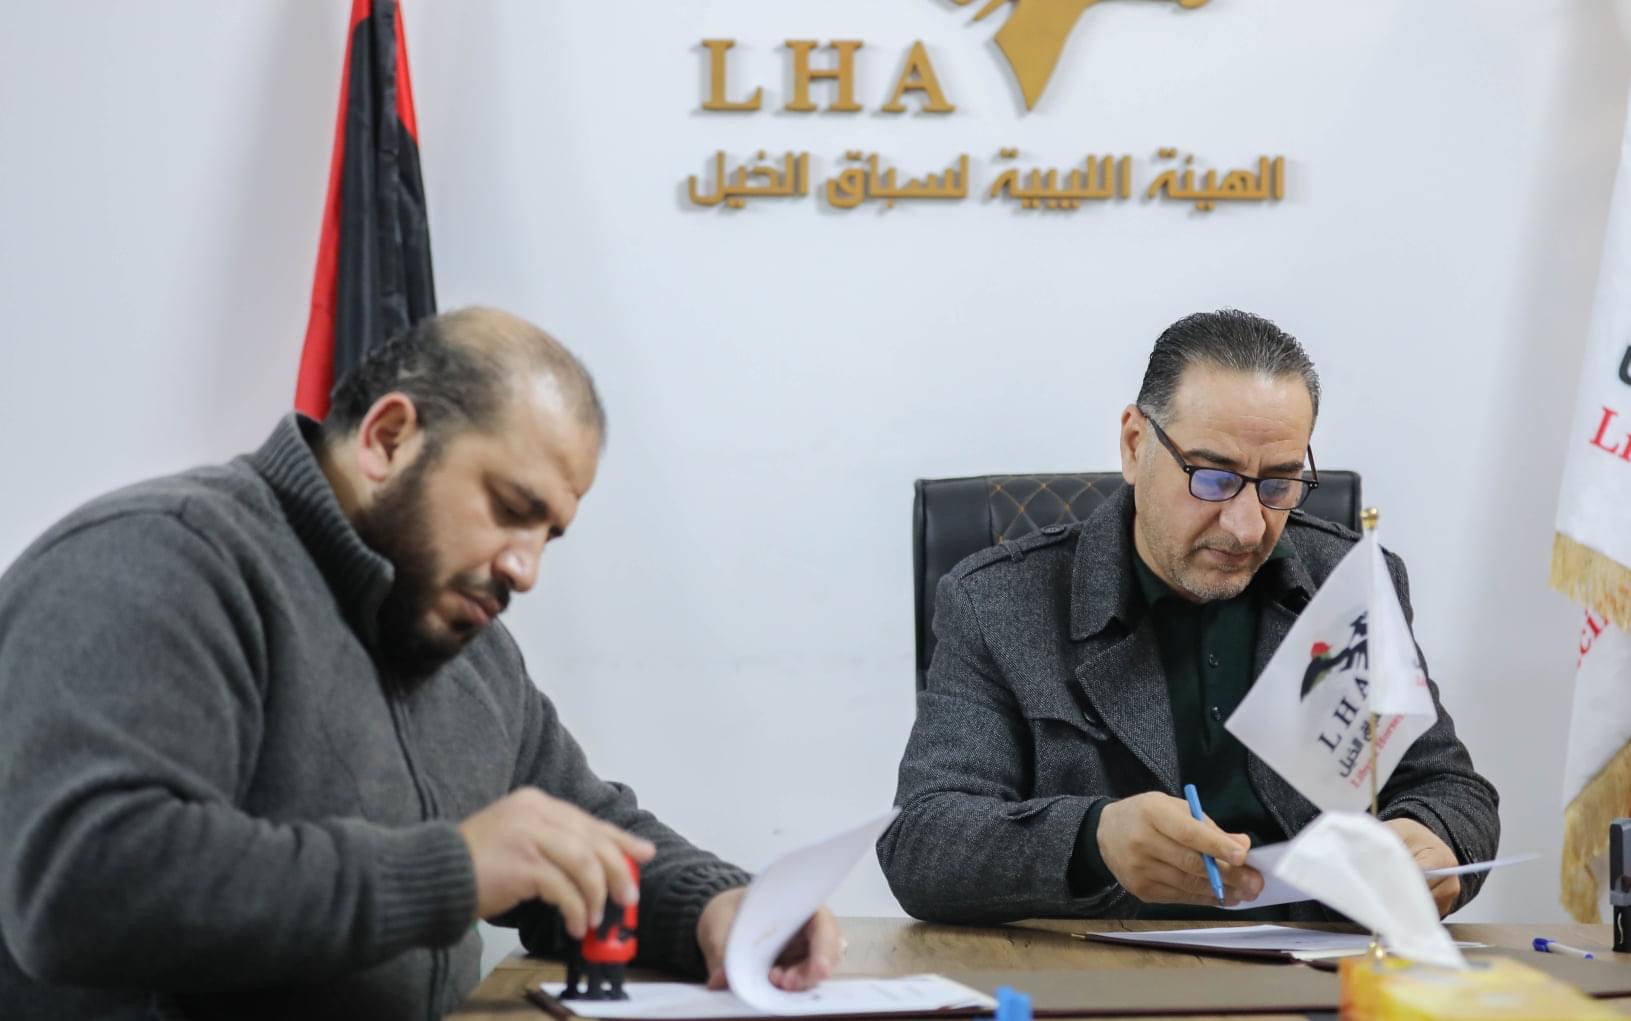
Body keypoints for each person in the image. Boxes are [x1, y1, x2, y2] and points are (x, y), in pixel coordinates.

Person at [0, 308, 840, 1020]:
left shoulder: (462, 640)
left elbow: (582, 831)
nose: (525, 568)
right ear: (389, 438)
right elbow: (81, 886)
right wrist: (452, 871)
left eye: (547, 534)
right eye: (510, 508)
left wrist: (718, 906)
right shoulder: (156, 561)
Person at [877, 309, 1499, 924]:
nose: (1247, 527)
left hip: (1316, 964)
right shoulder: (998, 603)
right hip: (1098, 968)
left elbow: (1449, 788)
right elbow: (923, 842)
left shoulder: (1348, 582)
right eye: (1213, 478)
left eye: (1278, 484)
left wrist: (1432, 838)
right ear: (1134, 445)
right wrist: (1093, 840)